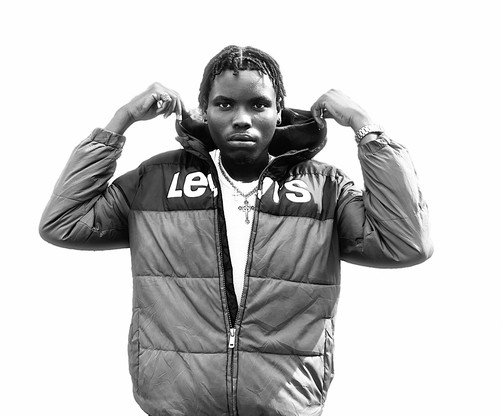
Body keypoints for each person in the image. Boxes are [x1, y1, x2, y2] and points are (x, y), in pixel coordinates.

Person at [39, 44, 433, 416]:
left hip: (286, 407)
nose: (241, 118)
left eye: (258, 104)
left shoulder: (325, 188)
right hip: (175, 406)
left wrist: (364, 126)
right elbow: (64, 222)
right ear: (204, 111)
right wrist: (121, 119)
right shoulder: (155, 180)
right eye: (225, 104)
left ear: (279, 112)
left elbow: (406, 243)